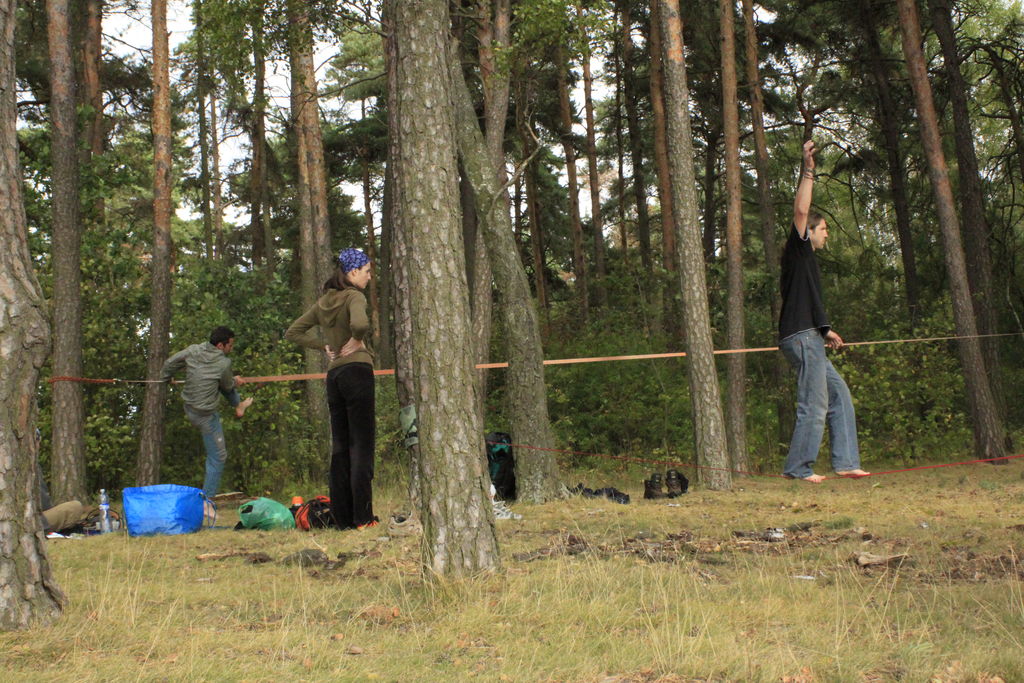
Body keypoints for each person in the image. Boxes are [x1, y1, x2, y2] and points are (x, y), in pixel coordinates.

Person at [778, 139, 869, 482]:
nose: (827, 234)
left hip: (810, 335)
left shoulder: (808, 264)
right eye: (824, 229)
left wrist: (825, 329)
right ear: (810, 231)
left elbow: (807, 302)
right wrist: (809, 169)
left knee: (839, 396)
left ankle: (846, 463)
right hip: (801, 339)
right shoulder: (799, 250)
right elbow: (801, 210)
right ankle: (798, 469)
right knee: (813, 405)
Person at [286, 248, 378, 530]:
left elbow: (293, 332)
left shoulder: (324, 301)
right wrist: (357, 339)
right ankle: (363, 519)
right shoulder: (354, 296)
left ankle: (343, 519)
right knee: (361, 447)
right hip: (357, 373)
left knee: (340, 450)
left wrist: (324, 347)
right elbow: (360, 323)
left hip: (335, 377)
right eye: (366, 271)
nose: (369, 277)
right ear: (352, 273)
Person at [161, 326, 253, 497]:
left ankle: (238, 405)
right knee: (219, 457)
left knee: (221, 379)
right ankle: (206, 501)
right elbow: (226, 386)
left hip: (189, 407)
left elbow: (169, 364)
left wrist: (165, 378)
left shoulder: (193, 350)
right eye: (230, 346)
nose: (231, 349)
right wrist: (235, 381)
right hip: (205, 416)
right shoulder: (223, 363)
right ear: (220, 345)